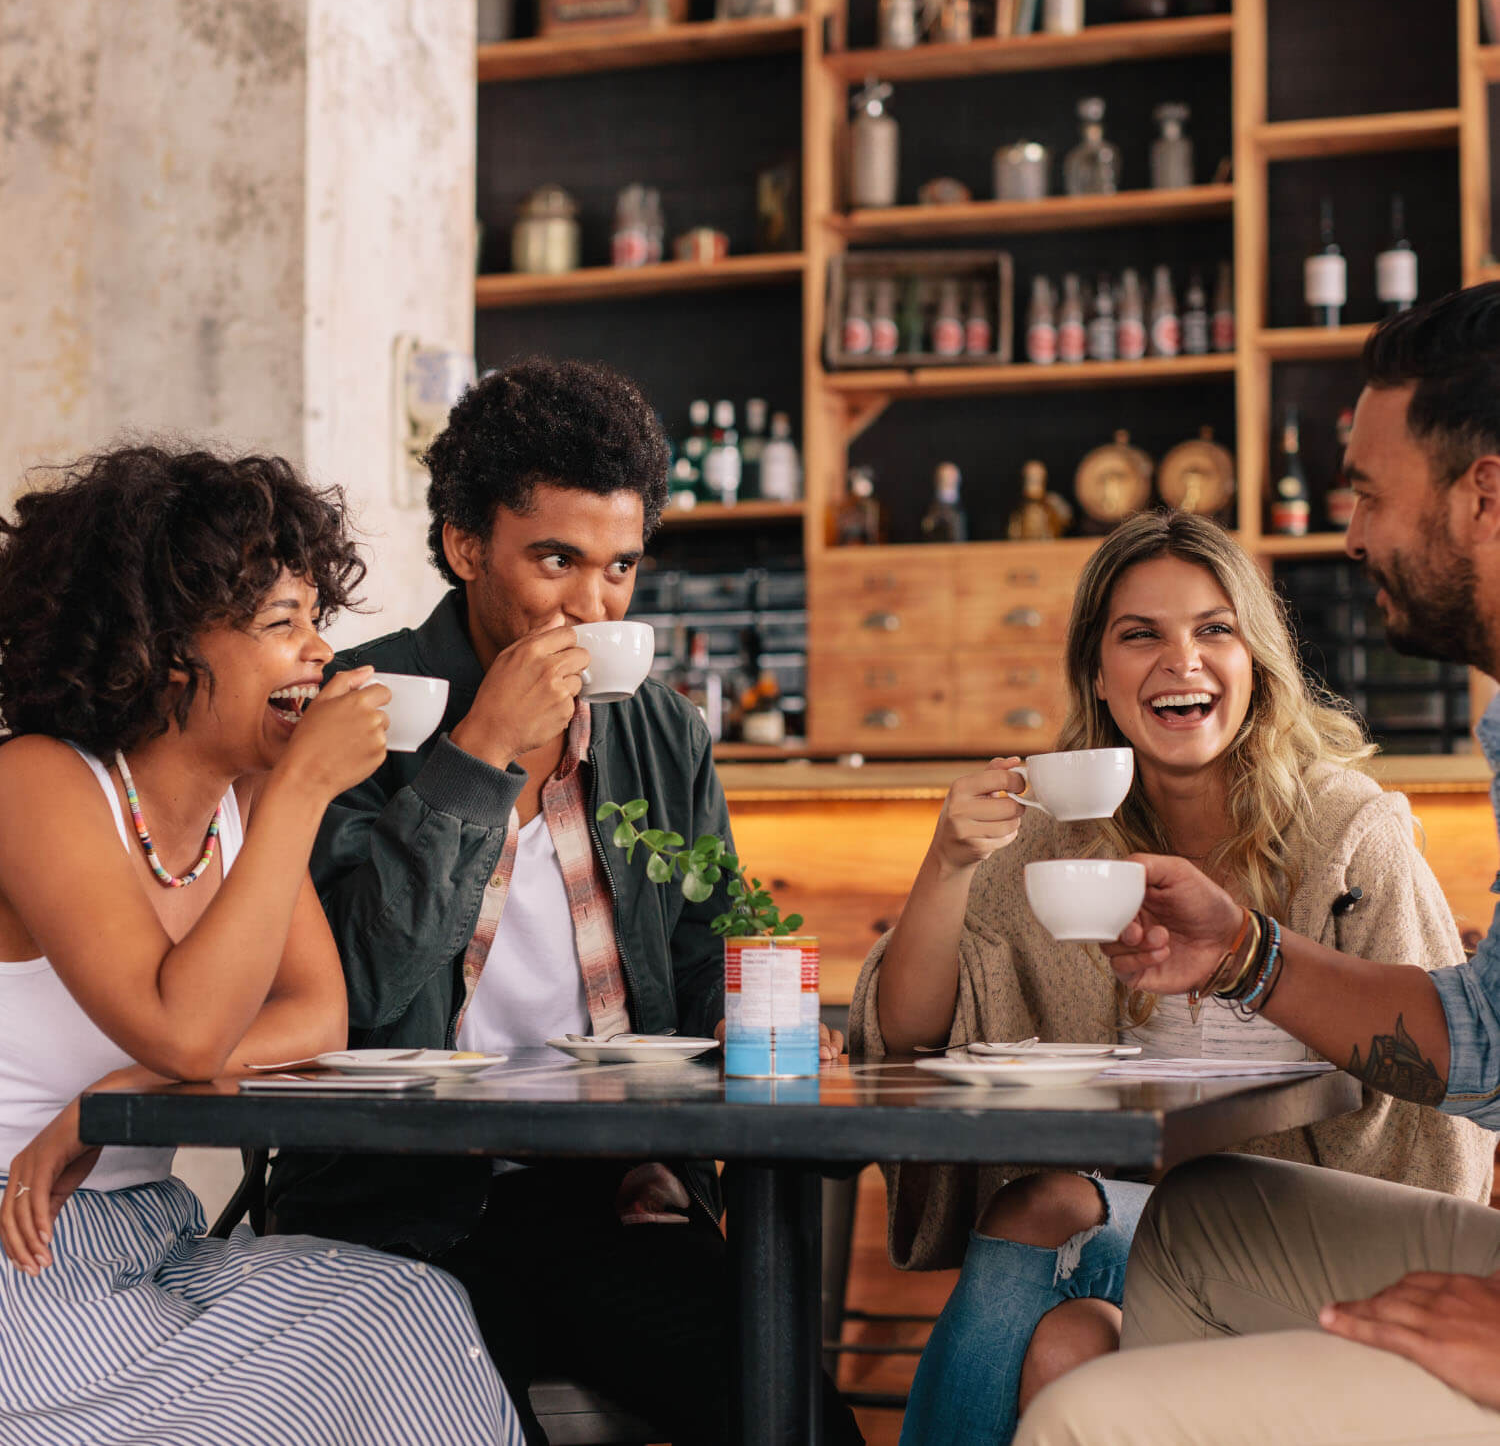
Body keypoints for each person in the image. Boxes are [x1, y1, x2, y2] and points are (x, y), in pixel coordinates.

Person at [265, 356, 859, 1446]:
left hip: (611, 1207)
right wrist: (481, 748)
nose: (593, 605)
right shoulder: (360, 709)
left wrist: (749, 1017)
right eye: (557, 560)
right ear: (463, 545)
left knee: (796, 1415)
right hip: (400, 1214)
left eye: (621, 567)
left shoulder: (662, 734)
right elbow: (353, 989)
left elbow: (703, 953)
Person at [849, 509, 1496, 1446]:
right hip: (1129, 1234)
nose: (1180, 660)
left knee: (1064, 1296)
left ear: (1256, 664)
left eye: (1213, 630)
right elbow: (905, 1033)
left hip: (1290, 1243)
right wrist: (946, 863)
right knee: (1054, 1253)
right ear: (1100, 678)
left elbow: (1433, 1121)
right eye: (1140, 635)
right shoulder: (1055, 836)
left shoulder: (1347, 834)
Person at [1011, 282, 1500, 1446]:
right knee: (1201, 1213)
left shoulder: (1352, 822)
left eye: (1372, 496)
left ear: (1484, 494)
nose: (1350, 537)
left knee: (1082, 1408)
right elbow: (1484, 1044)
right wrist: (1243, 952)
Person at [0, 440, 522, 1446]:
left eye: (317, 620)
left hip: (148, 1244)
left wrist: (116, 1101)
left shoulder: (242, 804)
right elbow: (188, 1033)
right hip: (21, 1262)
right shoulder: (38, 783)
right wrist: (302, 790)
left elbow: (315, 1018)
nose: (320, 653)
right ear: (157, 646)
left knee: (408, 1309)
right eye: (283, 624)